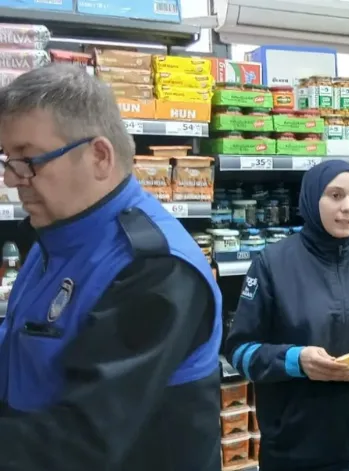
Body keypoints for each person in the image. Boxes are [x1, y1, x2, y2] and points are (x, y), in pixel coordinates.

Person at [0, 64, 223, 469]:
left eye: (29, 160)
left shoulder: (155, 269)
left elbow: (84, 439)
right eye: (8, 160)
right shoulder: (56, 237)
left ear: (99, 157)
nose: (12, 180)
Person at [225, 160, 349, 471]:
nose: (348, 207)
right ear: (311, 198)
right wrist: (296, 360)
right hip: (300, 449)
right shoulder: (273, 264)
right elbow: (239, 351)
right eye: (336, 195)